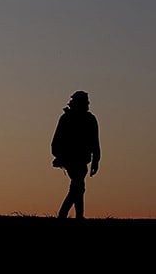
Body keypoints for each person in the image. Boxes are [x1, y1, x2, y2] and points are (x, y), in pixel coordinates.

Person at [50, 90, 100, 219]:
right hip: (70, 159)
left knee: (78, 186)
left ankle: (76, 216)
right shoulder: (66, 119)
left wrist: (96, 161)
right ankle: (65, 214)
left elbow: (95, 142)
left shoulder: (90, 119)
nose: (87, 105)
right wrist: (61, 157)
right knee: (78, 185)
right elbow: (55, 143)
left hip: (82, 159)